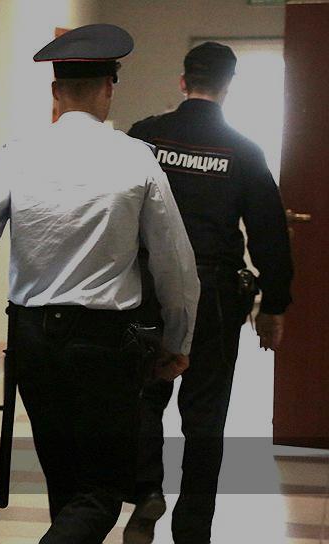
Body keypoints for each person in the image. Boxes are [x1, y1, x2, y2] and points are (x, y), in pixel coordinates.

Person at [0, 24, 200, 544]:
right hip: (104, 344)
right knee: (101, 492)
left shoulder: (17, 153)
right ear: (109, 88)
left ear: (55, 91)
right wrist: (178, 340)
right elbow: (175, 264)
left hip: (33, 341)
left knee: (65, 484)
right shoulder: (136, 157)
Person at [124, 42, 294, 544]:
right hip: (214, 294)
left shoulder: (145, 137)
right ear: (228, 86)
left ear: (183, 81)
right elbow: (268, 232)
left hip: (148, 290)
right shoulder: (243, 150)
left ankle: (146, 490)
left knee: (144, 396)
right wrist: (274, 304)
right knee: (206, 417)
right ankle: (193, 528)